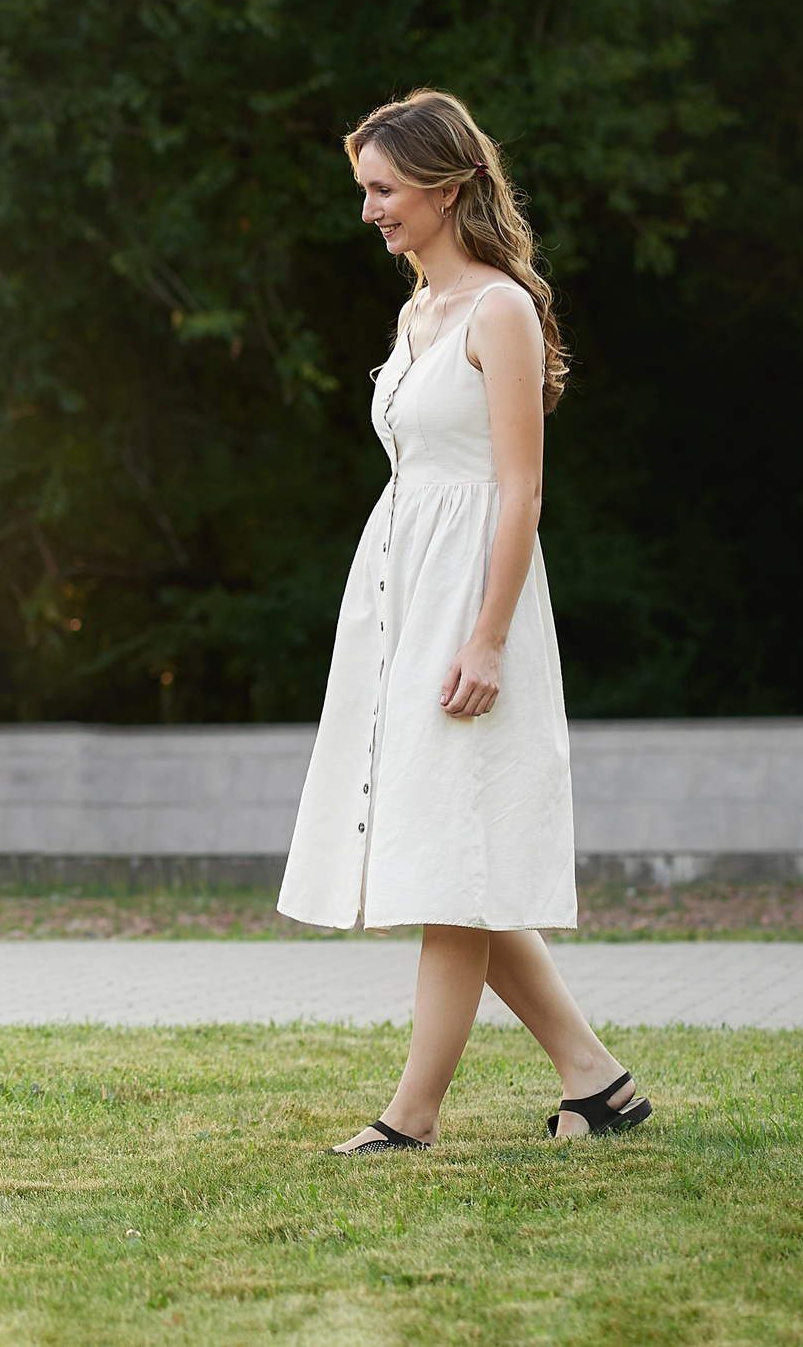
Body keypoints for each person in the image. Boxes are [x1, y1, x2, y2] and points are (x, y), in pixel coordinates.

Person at [277, 88, 649, 1153]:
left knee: (449, 860)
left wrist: (485, 637)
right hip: (402, 593)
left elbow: (520, 493)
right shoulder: (416, 313)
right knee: (451, 853)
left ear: (443, 187)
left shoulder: (500, 309)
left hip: (471, 601)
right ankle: (596, 1080)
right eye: (364, 191)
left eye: (383, 189)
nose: (369, 211)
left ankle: (411, 1116)